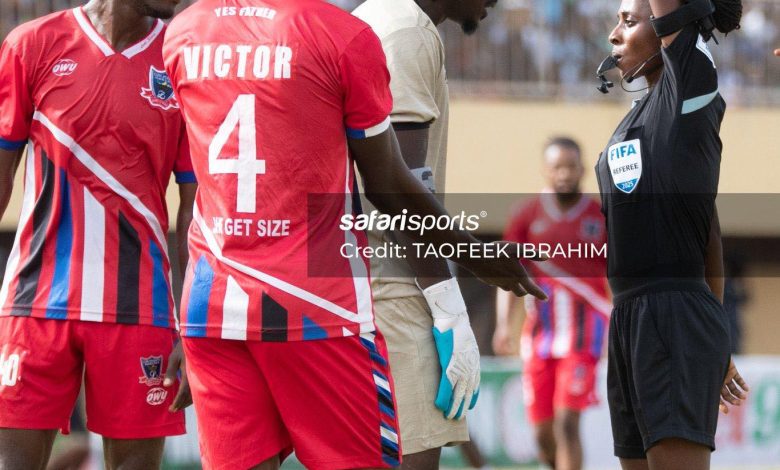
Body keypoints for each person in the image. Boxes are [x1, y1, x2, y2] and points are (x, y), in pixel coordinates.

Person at [163, 0, 546, 468]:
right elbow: (388, 184)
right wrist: (470, 263)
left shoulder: (185, 30)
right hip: (318, 301)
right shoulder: (347, 34)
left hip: (214, 301)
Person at [0, 0, 196, 468]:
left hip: (141, 307)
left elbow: (195, 210)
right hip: (35, 302)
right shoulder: (32, 45)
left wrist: (194, 327)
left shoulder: (182, 58)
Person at [595, 0, 747, 469]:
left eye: (629, 21)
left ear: (665, 28)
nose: (614, 35)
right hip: (629, 318)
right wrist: (717, 332)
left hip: (674, 316)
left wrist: (707, 331)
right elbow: (708, 230)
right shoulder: (640, 113)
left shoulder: (692, 82)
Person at [352, 0, 496, 468]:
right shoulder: (406, 30)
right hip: (393, 285)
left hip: (358, 278)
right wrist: (449, 309)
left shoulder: (374, 17)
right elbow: (401, 189)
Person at [493, 137, 610, 470]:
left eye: (571, 167)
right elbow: (508, 271)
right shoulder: (526, 214)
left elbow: (618, 276)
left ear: (582, 169)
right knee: (543, 434)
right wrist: (503, 325)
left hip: (584, 336)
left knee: (567, 422)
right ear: (546, 170)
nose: (564, 174)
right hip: (540, 336)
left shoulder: (600, 216)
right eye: (557, 167)